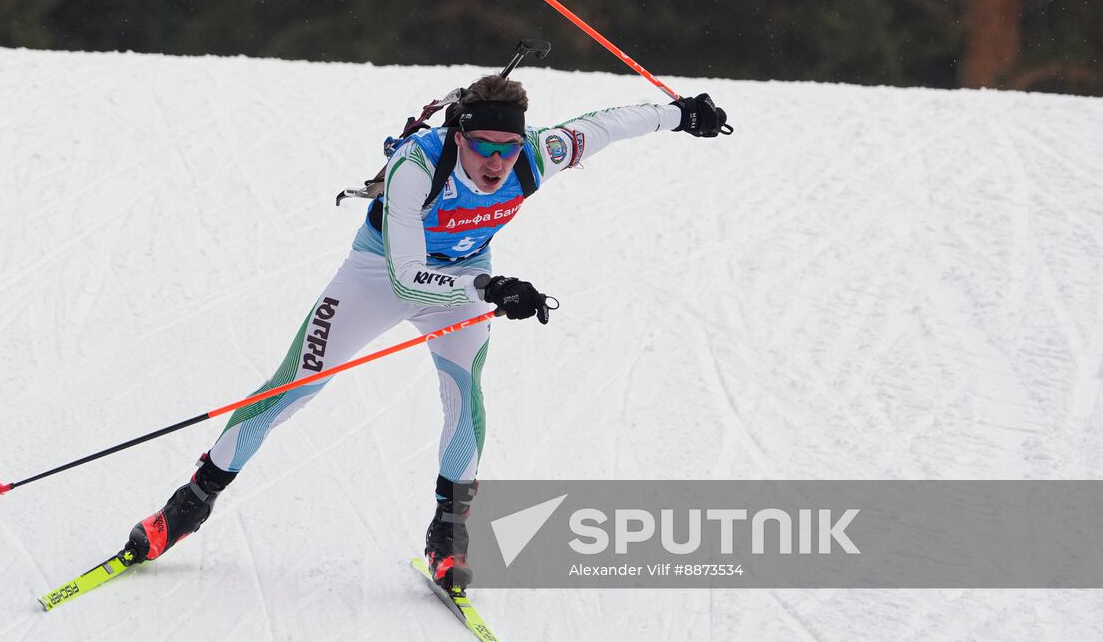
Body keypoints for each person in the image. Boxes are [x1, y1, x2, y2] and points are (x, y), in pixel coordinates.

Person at [125, 75, 729, 587]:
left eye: (509, 148)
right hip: (379, 276)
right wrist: (490, 292)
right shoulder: (419, 166)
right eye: (483, 147)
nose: (497, 163)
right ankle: (189, 504)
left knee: (466, 397)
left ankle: (449, 532)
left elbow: (611, 123)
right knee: (293, 385)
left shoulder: (540, 152)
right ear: (458, 135)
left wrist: (680, 114)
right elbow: (409, 277)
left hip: (466, 279)